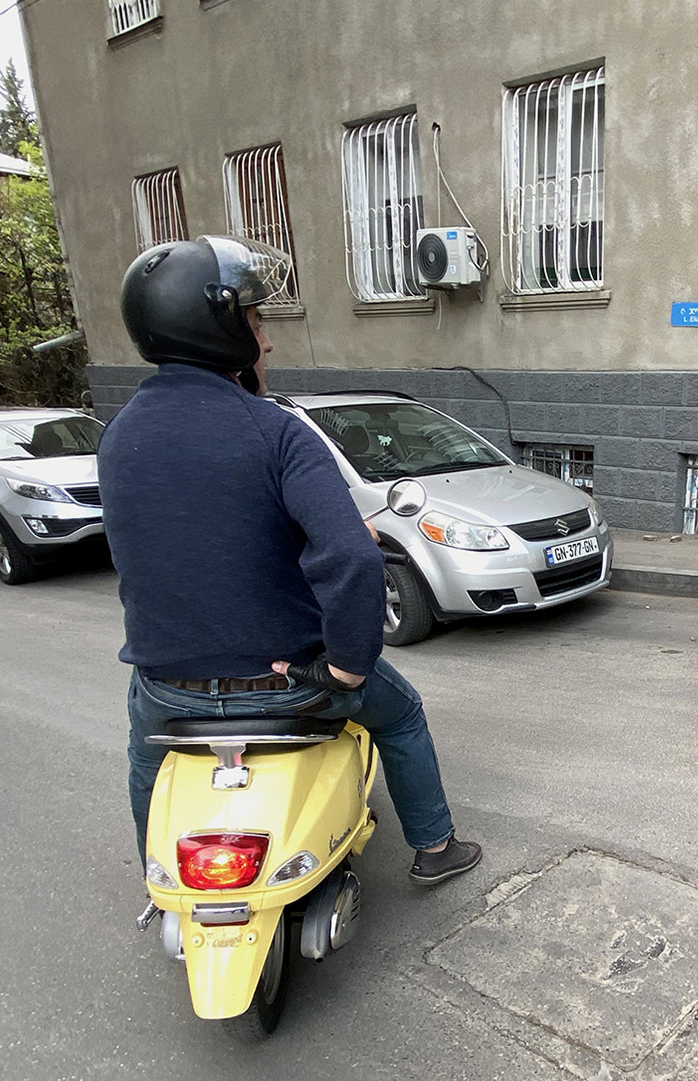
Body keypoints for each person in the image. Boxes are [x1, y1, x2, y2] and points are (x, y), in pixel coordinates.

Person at [99, 235, 482, 885]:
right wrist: (346, 670)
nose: (267, 341)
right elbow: (357, 561)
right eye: (255, 322)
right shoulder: (277, 432)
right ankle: (436, 846)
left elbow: (162, 551)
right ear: (219, 329)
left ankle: (158, 878)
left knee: (146, 762)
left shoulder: (117, 436)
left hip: (169, 690)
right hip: (288, 684)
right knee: (404, 711)